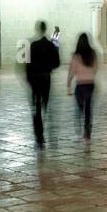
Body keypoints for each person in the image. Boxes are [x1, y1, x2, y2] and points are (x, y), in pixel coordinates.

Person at [25, 20, 60, 150]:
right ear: (45, 29)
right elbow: (57, 63)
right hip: (46, 78)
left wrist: (29, 80)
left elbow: (28, 65)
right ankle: (46, 132)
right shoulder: (50, 45)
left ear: (37, 29)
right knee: (45, 105)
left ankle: (39, 137)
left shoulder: (33, 45)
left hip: (35, 79)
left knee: (37, 108)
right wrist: (48, 67)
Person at [66, 32, 97, 142]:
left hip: (80, 85)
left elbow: (71, 72)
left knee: (79, 109)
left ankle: (78, 130)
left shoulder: (76, 56)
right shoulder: (93, 53)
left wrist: (68, 85)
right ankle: (87, 133)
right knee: (88, 109)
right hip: (90, 84)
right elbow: (95, 69)